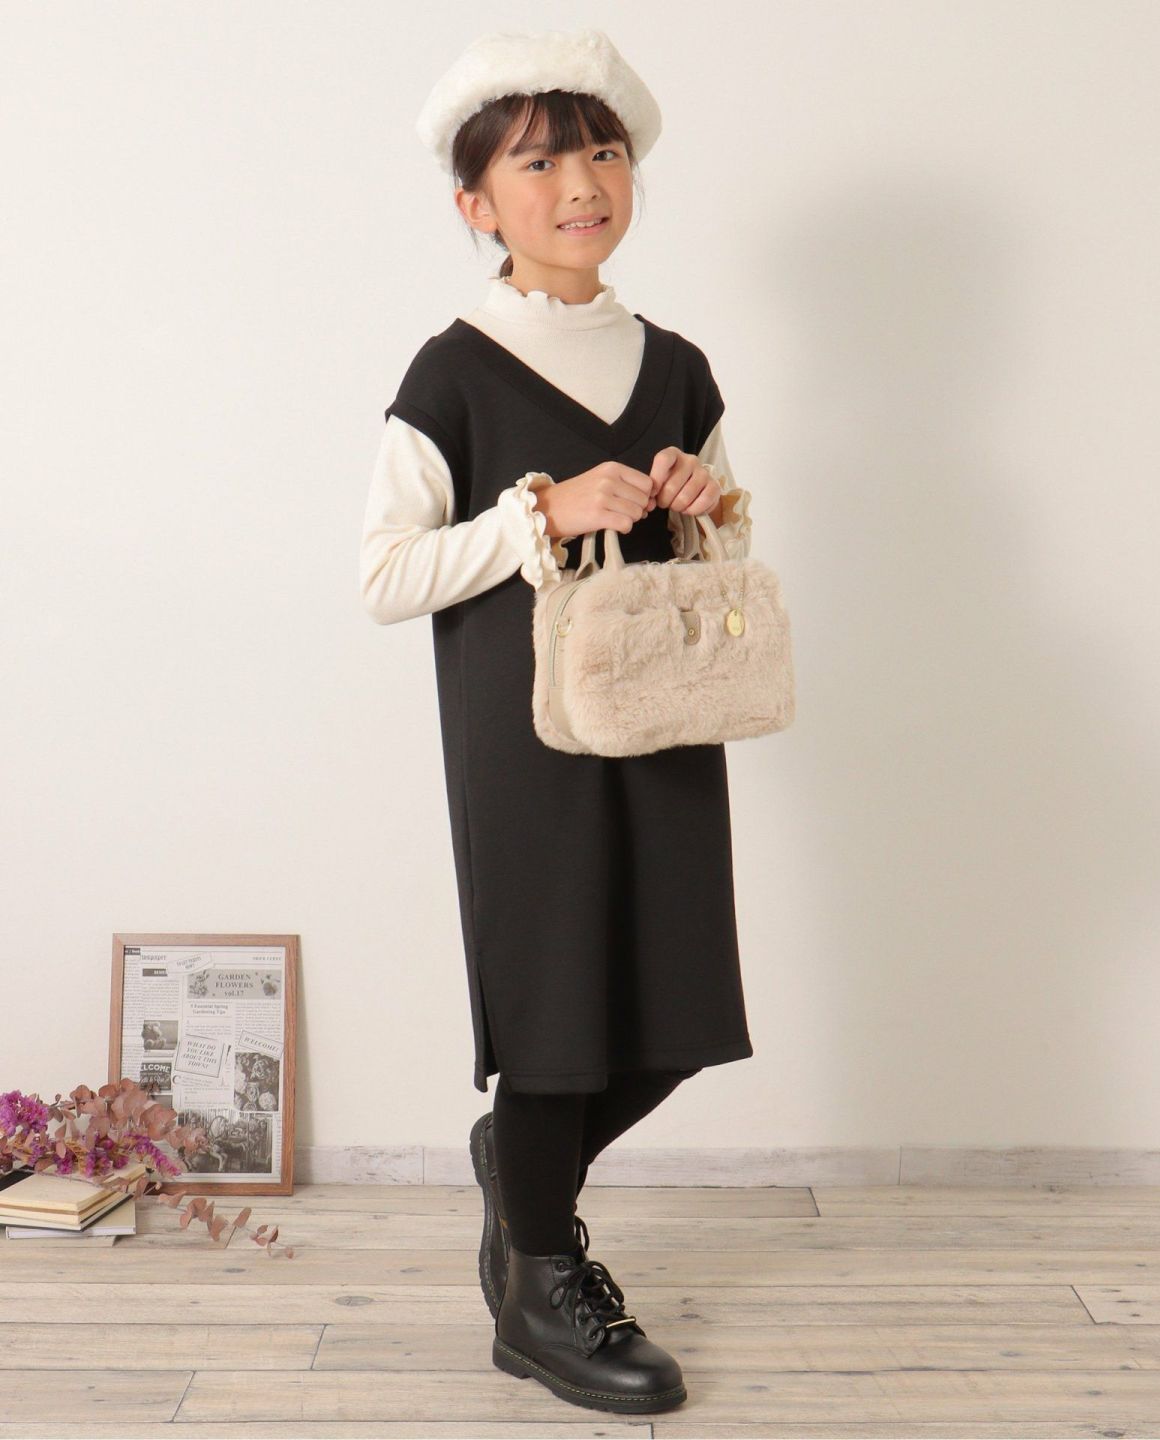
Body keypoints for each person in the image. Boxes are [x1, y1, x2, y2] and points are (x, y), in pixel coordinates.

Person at [360, 27, 755, 1417]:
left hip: (665, 718)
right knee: (555, 1014)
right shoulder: (451, 372)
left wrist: (703, 507)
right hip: (522, 743)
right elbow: (383, 573)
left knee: (676, 1012)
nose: (580, 183)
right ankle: (541, 1284)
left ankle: (517, 1169)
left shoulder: (680, 367)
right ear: (475, 202)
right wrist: (535, 512)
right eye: (537, 163)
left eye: (601, 152)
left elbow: (724, 560)